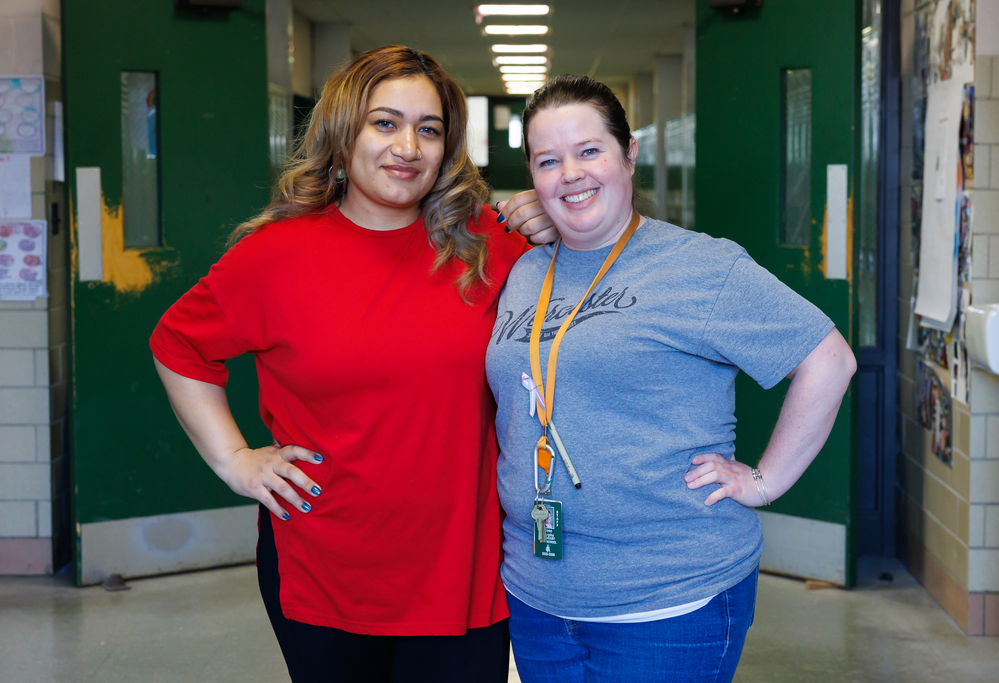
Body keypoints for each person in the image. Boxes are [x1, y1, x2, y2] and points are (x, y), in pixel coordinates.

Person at [150, 45, 553, 683]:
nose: (408, 147)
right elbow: (179, 344)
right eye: (384, 123)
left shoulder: (492, 245)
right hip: (324, 562)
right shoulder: (274, 257)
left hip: (464, 566)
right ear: (344, 134)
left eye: (429, 129)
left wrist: (555, 219)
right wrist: (234, 459)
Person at [485, 74, 857, 683]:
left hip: (670, 598)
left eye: (589, 151)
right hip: (538, 595)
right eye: (548, 161)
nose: (570, 174)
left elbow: (828, 359)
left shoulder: (699, 266)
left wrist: (764, 482)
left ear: (629, 155)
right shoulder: (524, 271)